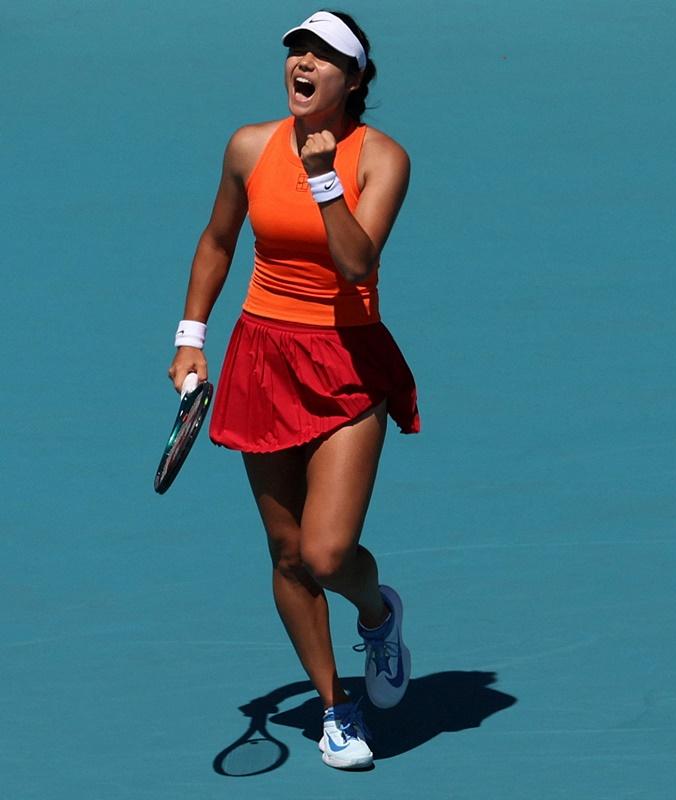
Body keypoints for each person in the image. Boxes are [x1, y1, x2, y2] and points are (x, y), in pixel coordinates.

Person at [167, 9, 417, 770]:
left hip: (345, 361)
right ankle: (336, 710)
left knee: (329, 550)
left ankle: (376, 616)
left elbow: (354, 265)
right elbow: (218, 240)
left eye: (323, 56)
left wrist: (320, 176)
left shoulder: (383, 159)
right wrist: (190, 339)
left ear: (354, 79)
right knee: (286, 555)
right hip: (261, 357)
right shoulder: (248, 146)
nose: (302, 64)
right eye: (296, 52)